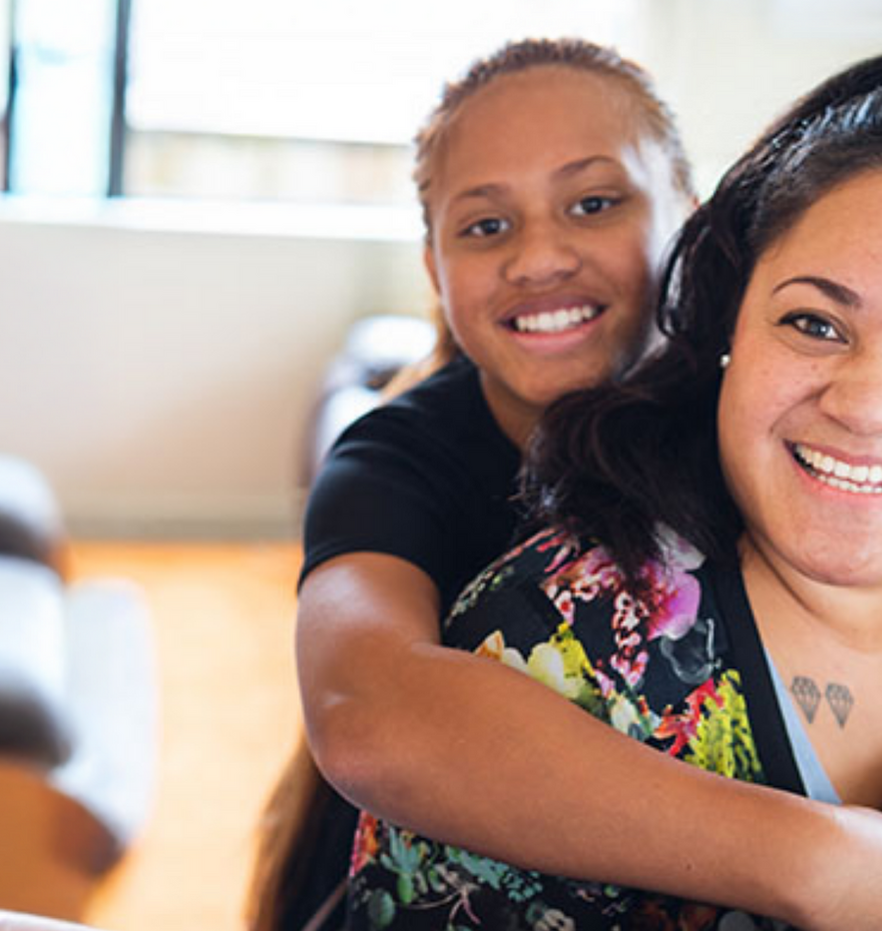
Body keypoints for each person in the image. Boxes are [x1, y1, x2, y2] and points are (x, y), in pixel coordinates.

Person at [320, 50, 882, 930]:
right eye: (813, 324)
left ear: (685, 235)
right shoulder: (516, 589)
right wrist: (816, 859)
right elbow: (366, 709)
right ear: (732, 311)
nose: (865, 405)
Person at [249, 37, 696, 931]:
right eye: (487, 226)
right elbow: (363, 711)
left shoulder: (759, 423)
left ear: (688, 213)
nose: (538, 258)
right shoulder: (391, 460)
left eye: (592, 203)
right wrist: (815, 861)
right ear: (433, 266)